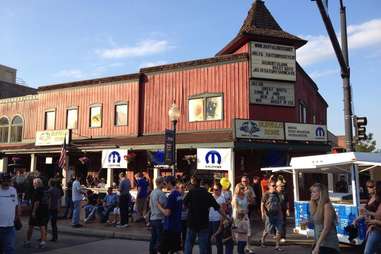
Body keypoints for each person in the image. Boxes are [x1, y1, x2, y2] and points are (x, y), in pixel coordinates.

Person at [183, 177, 226, 254]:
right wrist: (227, 218)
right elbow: (218, 208)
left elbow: (184, 204)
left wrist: (191, 208)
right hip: (203, 223)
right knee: (203, 246)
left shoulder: (191, 192)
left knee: (189, 243)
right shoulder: (208, 195)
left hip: (191, 222)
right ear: (206, 185)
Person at [309, 183, 340, 254]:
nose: (311, 194)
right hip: (319, 242)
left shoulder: (327, 206)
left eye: (314, 192)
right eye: (311, 192)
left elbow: (326, 228)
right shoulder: (316, 206)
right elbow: (318, 223)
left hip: (328, 244)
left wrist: (317, 245)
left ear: (321, 193)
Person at [157, 176, 183, 254]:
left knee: (161, 250)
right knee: (176, 250)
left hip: (169, 227)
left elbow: (167, 213)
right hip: (177, 226)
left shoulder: (172, 196)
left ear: (169, 183)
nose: (165, 185)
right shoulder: (178, 194)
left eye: (165, 183)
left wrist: (159, 206)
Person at [24, 178, 49, 249]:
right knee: (42, 226)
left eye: (34, 183)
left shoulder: (37, 191)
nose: (33, 184)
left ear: (37, 183)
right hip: (44, 210)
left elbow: (36, 202)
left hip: (37, 211)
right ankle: (43, 242)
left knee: (31, 225)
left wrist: (34, 211)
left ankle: (28, 241)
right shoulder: (45, 190)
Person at [260, 177, 283, 251]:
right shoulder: (266, 194)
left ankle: (277, 246)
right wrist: (262, 213)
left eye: (275, 186)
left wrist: (281, 212)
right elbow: (262, 204)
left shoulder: (276, 194)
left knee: (279, 230)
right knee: (267, 230)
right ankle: (262, 240)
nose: (274, 187)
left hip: (278, 214)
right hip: (269, 215)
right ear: (269, 186)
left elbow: (279, 203)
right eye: (273, 186)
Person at [0, 172, 20, 254]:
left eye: (8, 180)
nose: (6, 182)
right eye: (4, 180)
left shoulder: (13, 190)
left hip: (10, 227)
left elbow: (16, 205)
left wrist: (17, 217)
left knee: (10, 249)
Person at [149, 176, 167, 254]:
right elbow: (165, 206)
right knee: (160, 239)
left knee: (153, 238)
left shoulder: (153, 192)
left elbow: (150, 205)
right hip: (159, 218)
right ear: (161, 183)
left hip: (153, 218)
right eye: (164, 182)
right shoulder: (161, 194)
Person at [363, 181, 381, 254]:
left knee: (367, 252)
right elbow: (378, 215)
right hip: (375, 229)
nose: (374, 190)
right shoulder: (378, 202)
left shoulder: (377, 201)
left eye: (375, 188)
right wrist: (368, 213)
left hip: (377, 231)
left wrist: (374, 222)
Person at [208, 182, 226, 254]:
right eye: (213, 189)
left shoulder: (222, 199)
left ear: (220, 190)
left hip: (217, 220)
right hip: (209, 220)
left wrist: (221, 223)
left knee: (218, 240)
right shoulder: (210, 197)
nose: (214, 191)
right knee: (208, 239)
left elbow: (223, 212)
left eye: (216, 189)